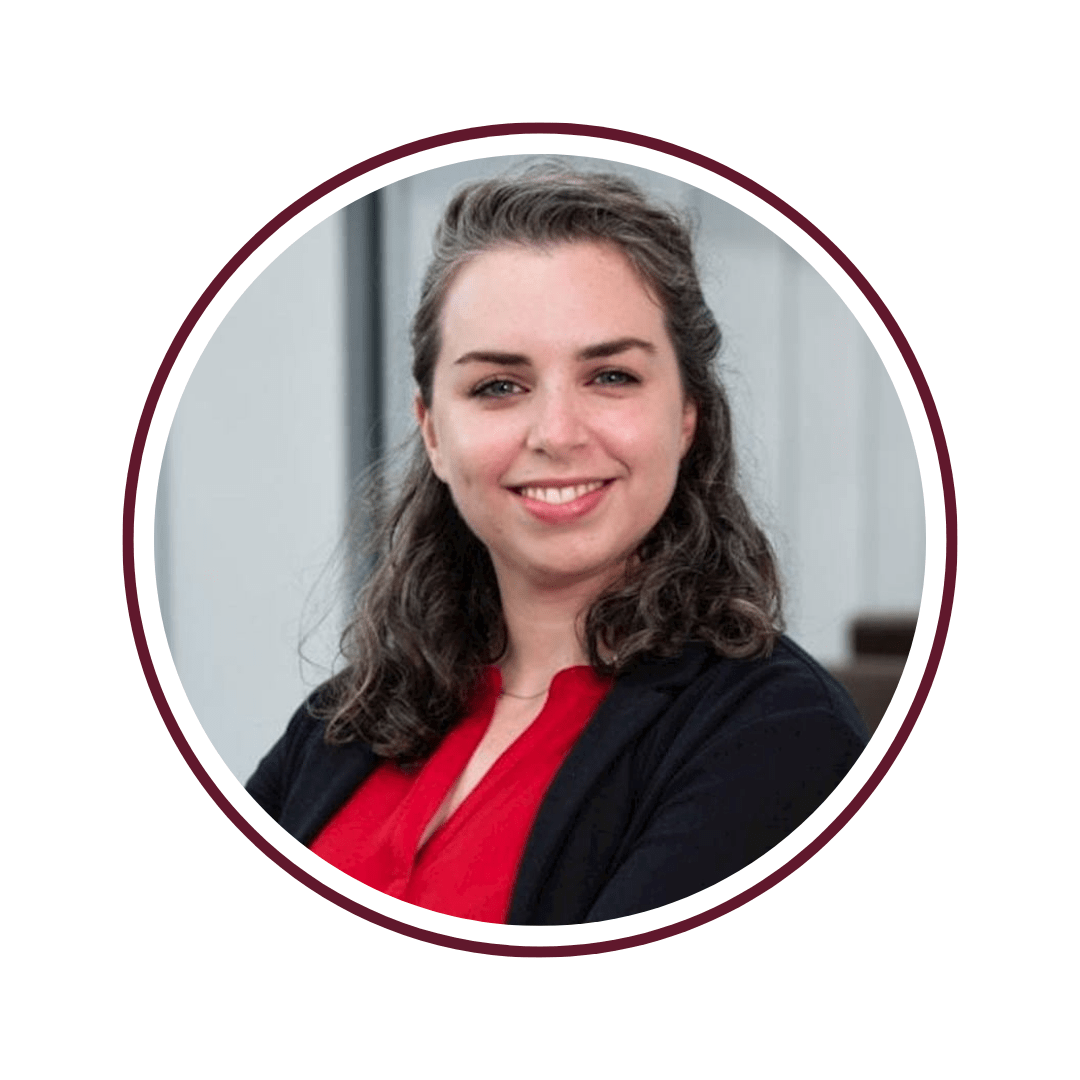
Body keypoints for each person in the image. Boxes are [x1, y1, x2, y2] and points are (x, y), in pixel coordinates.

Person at [246, 164, 869, 925]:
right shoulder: (341, 720)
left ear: (686, 416)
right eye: (499, 387)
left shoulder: (777, 738)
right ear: (434, 431)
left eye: (610, 375)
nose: (557, 434)